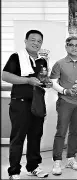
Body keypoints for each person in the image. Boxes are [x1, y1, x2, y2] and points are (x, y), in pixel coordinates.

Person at [2, 30, 51, 179]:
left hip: (37, 103)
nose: (36, 43)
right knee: (18, 137)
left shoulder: (42, 60)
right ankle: (14, 171)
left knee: (35, 136)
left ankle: (33, 167)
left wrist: (46, 83)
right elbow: (5, 75)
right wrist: (27, 80)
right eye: (33, 40)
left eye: (39, 41)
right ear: (25, 41)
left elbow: (42, 78)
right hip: (20, 103)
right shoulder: (16, 57)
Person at [49, 36, 77, 175]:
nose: (74, 47)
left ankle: (71, 158)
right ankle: (57, 161)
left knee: (75, 132)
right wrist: (65, 91)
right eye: (71, 45)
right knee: (61, 131)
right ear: (66, 47)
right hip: (65, 102)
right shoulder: (59, 63)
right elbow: (52, 82)